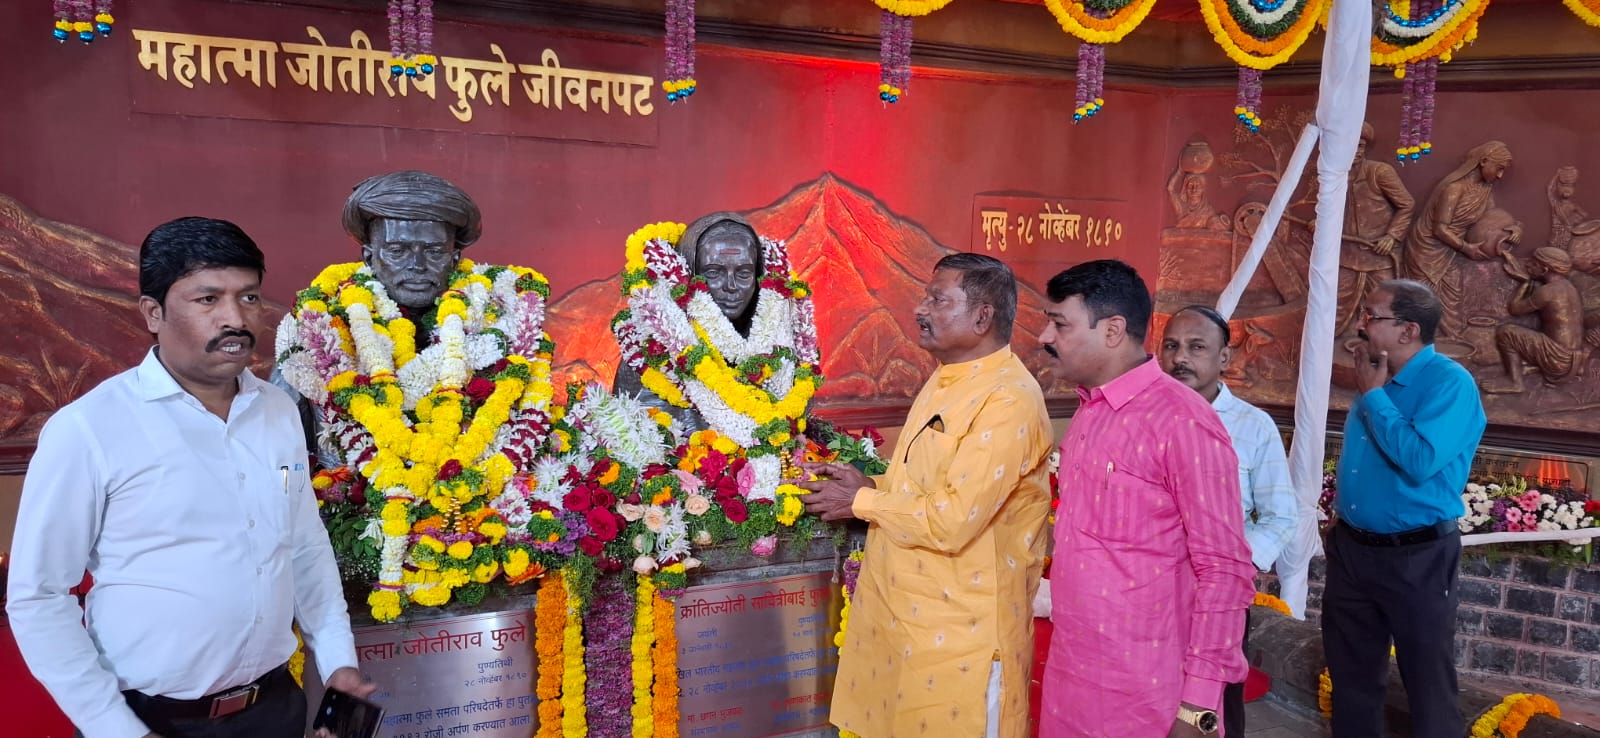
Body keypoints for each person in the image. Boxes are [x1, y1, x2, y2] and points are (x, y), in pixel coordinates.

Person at [5, 217, 372, 738]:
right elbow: (39, 596)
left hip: (273, 709)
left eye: (248, 297)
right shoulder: (89, 428)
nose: (235, 318)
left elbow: (304, 546)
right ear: (153, 313)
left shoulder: (277, 410)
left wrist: (337, 660)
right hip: (148, 719)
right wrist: (117, 729)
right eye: (207, 299)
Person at [794, 253, 1052, 738]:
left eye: (938, 299)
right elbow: (928, 485)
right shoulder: (948, 377)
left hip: (963, 638)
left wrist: (861, 503)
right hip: (910, 625)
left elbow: (954, 519)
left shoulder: (1007, 399)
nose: (920, 309)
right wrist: (867, 486)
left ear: (982, 316)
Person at [1037, 260, 1253, 738]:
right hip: (1072, 681)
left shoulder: (1183, 420)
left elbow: (1224, 570)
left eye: (1060, 324)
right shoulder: (1091, 409)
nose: (1044, 337)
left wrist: (1198, 710)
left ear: (1113, 330)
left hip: (1148, 696)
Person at [1325, 279, 1486, 738]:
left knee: (1427, 683)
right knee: (1351, 678)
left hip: (1417, 557)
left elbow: (1419, 460)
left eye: (1371, 316)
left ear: (1408, 330)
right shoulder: (1376, 375)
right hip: (1352, 550)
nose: (1361, 324)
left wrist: (1375, 396)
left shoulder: (1450, 384)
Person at [278, 169, 483, 465]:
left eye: (434, 252)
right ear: (369, 257)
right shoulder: (313, 331)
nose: (417, 265)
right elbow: (279, 461)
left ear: (455, 259)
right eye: (397, 250)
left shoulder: (499, 327)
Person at [1159, 305, 1298, 738]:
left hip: (1216, 597)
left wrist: (1231, 565)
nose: (1181, 357)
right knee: (1152, 698)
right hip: (1150, 590)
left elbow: (1280, 516)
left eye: (1196, 347)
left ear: (1224, 358)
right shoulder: (1144, 417)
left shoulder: (1253, 427)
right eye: (1171, 346)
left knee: (1215, 708)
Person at [614, 211, 765, 432]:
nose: (731, 286)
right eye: (714, 272)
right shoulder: (650, 355)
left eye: (743, 273)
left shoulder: (781, 352)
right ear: (686, 275)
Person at [1404, 141, 1521, 338]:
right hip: (1427, 250)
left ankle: (1452, 339)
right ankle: (1413, 340)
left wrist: (1516, 227)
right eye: (1499, 168)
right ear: (1483, 161)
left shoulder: (1484, 191)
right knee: (1421, 298)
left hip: (1451, 249)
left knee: (1452, 294)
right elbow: (1439, 229)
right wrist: (1466, 248)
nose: (1500, 175)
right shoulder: (1454, 189)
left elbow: (1493, 218)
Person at [1337, 122, 1414, 338]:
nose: (1356, 151)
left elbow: (1407, 204)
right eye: (1350, 145)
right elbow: (1328, 208)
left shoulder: (1379, 172)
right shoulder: (1334, 174)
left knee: (1384, 304)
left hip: (1379, 253)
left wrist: (1391, 236)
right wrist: (1319, 223)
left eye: (1360, 146)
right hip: (1348, 254)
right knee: (1337, 302)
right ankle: (1330, 345)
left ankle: (1383, 345)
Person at [1483, 247, 1588, 393]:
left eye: (1533, 263)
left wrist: (1525, 283)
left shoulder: (1547, 291)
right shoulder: (1570, 288)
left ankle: (1515, 382)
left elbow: (1514, 309)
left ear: (1545, 269)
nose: (1528, 265)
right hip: (1575, 359)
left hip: (1558, 359)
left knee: (1506, 332)